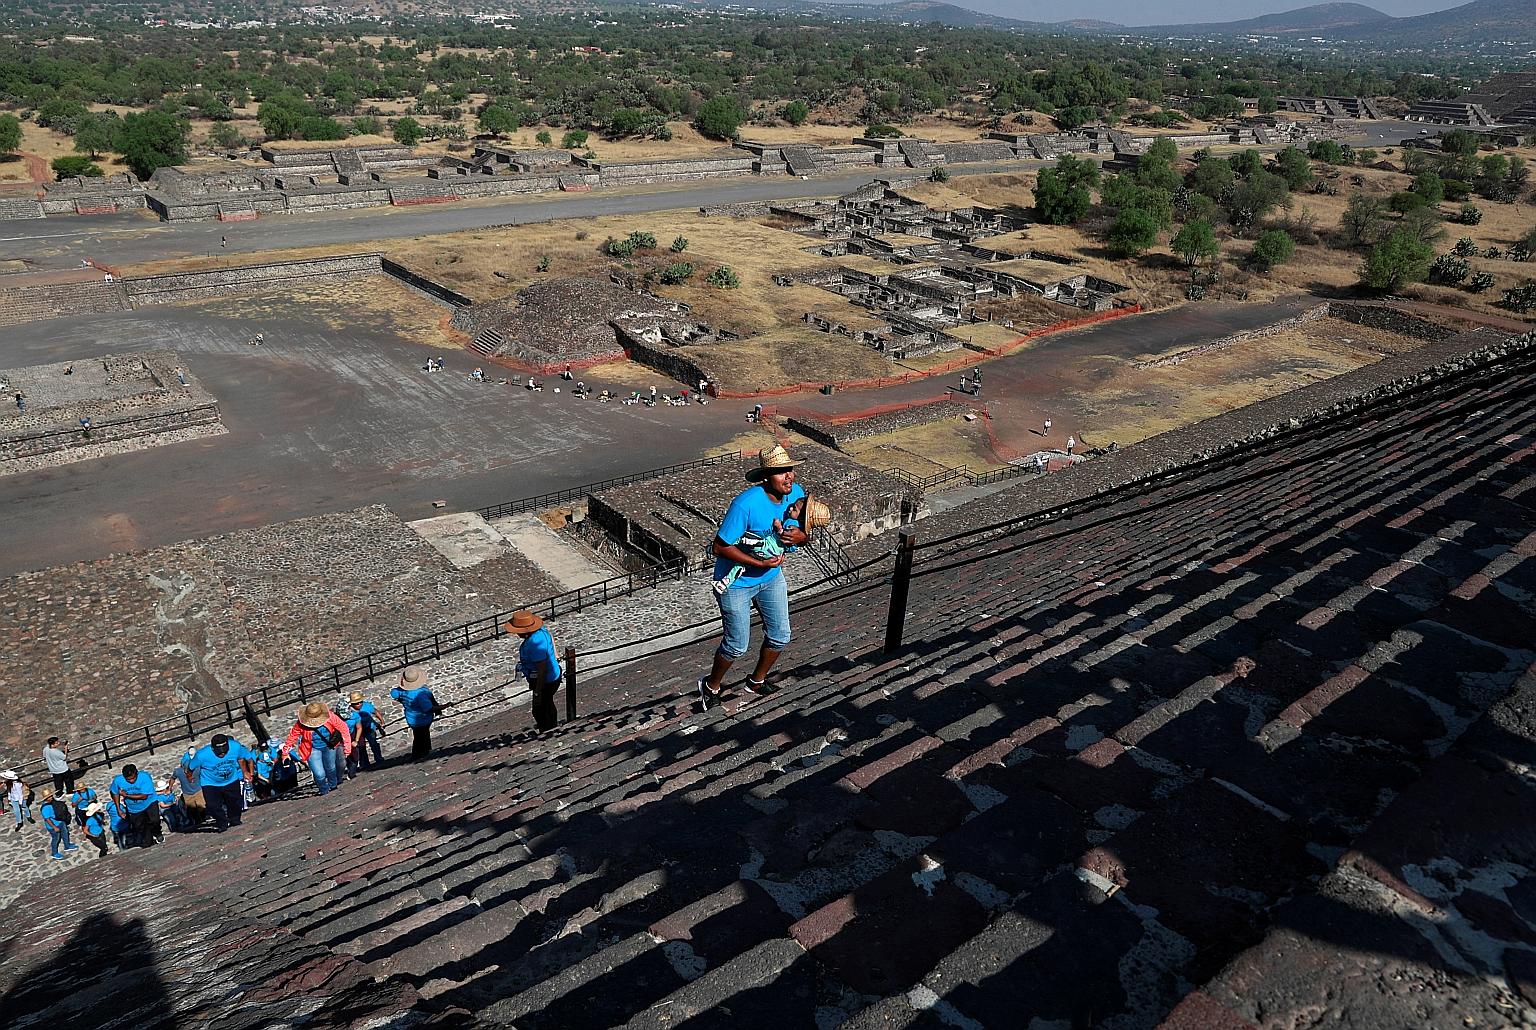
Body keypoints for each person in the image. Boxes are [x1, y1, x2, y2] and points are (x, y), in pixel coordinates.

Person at [698, 445, 810, 709]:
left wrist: (802, 537)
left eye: (790, 469)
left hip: (771, 577)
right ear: (765, 477)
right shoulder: (745, 504)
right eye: (780, 472)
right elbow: (719, 547)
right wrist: (758, 561)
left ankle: (756, 681)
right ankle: (711, 686)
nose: (788, 476)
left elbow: (803, 531)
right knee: (736, 646)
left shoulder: (797, 494)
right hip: (736, 582)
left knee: (781, 636)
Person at [186, 733, 256, 832]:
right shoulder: (202, 755)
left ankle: (234, 819)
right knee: (212, 805)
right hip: (210, 782)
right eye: (219, 752)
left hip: (231, 779)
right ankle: (222, 822)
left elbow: (244, 758)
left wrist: (246, 772)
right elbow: (190, 768)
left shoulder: (235, 746)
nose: (222, 754)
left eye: (224, 751)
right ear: (213, 748)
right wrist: (189, 777)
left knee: (235, 802)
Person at [506, 611, 562, 732]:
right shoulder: (541, 631)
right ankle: (553, 725)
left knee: (538, 710)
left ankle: (547, 730)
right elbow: (551, 637)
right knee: (548, 702)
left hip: (545, 681)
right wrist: (556, 657)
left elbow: (542, 669)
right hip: (554, 674)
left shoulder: (533, 644)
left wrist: (538, 690)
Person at [279, 703, 351, 796]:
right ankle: (324, 789)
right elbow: (292, 736)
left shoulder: (330, 717)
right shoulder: (301, 723)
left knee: (331, 768)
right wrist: (285, 752)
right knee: (319, 773)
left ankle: (333, 785)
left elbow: (343, 728)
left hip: (329, 745)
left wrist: (347, 748)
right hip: (311, 748)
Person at [390, 666, 439, 761]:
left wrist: (401, 686)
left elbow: (393, 693)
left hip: (411, 719)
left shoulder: (402, 692)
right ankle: (422, 753)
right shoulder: (421, 694)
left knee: (418, 736)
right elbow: (428, 708)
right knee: (423, 736)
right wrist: (444, 706)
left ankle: (419, 753)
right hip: (423, 719)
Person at [110, 763, 159, 847]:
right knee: (140, 827)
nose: (131, 781)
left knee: (155, 820)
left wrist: (126, 795)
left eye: (133, 778)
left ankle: (157, 832)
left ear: (137, 773)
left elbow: (144, 796)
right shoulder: (118, 781)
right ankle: (150, 842)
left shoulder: (144, 777)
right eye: (128, 779)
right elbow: (115, 793)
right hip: (134, 808)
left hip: (149, 803)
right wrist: (119, 809)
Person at [348, 691, 385, 768]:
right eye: (356, 703)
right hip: (358, 730)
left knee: (373, 743)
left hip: (369, 727)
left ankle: (379, 759)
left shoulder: (367, 705)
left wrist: (382, 721)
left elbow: (375, 711)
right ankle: (365, 764)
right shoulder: (349, 711)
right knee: (361, 747)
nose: (359, 704)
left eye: (360, 702)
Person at [173, 747, 206, 828]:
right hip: (187, 792)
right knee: (192, 809)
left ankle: (203, 819)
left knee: (201, 805)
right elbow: (173, 777)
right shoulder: (185, 760)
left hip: (198, 789)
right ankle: (198, 821)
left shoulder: (197, 765)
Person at [40, 790, 77, 860]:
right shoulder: (45, 808)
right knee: (56, 839)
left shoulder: (53, 802)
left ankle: (67, 846)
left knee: (65, 833)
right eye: (49, 797)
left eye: (51, 796)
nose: (51, 797)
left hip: (60, 822)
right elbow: (47, 819)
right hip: (53, 826)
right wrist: (54, 827)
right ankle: (54, 853)